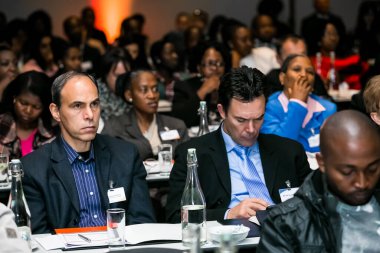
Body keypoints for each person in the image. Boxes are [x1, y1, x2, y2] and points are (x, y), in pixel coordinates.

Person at [166, 66, 311, 223]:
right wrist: (228, 214)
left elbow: (315, 204)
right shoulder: (194, 154)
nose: (251, 129)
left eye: (258, 118)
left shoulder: (289, 151)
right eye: (241, 120)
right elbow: (175, 217)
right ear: (222, 111)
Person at [21, 71, 155, 234]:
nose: (90, 115)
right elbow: (38, 237)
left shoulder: (125, 155)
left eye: (94, 104)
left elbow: (143, 224)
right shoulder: (34, 168)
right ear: (56, 112)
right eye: (77, 106)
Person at [257, 110, 380, 252]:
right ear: (321, 162)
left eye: (372, 169)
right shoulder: (286, 223)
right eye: (347, 172)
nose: (362, 183)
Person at [102, 70, 189, 160]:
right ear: (129, 95)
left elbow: (188, 161)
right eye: (144, 90)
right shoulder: (114, 127)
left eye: (155, 89)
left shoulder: (176, 126)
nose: (152, 95)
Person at [260, 54, 336, 153]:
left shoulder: (328, 109)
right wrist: (297, 103)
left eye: (310, 72)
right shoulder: (268, 107)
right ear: (282, 78)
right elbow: (277, 149)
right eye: (296, 69)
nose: (304, 75)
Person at [172, 41, 230, 127]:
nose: (215, 68)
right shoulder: (184, 86)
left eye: (220, 64)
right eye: (210, 63)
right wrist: (203, 91)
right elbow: (179, 120)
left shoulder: (230, 86)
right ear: (199, 67)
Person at [0, 71, 54, 159]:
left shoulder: (53, 130)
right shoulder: (2, 125)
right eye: (23, 103)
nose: (28, 111)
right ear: (14, 98)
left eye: (36, 107)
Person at [98, 47, 131, 120]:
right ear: (105, 74)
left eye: (125, 75)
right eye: (117, 76)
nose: (122, 80)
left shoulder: (132, 90)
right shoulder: (94, 95)